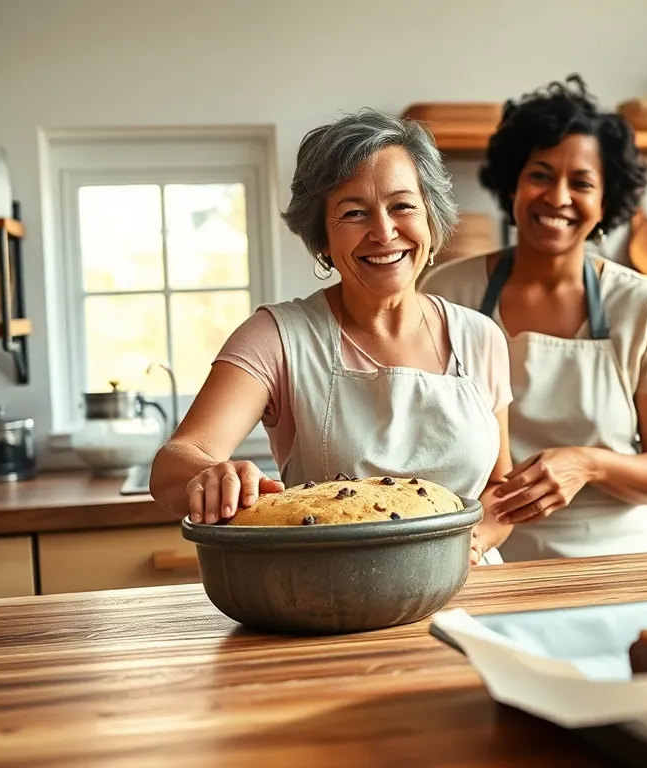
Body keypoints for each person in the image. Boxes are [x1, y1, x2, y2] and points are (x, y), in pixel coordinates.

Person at [150, 109, 512, 565]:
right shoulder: (277, 337)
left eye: (402, 206)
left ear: (432, 221)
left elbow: (500, 486)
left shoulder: (480, 337)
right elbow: (176, 459)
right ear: (322, 237)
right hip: (331, 599)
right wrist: (209, 474)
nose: (383, 232)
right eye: (354, 213)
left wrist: (476, 539)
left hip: (471, 592)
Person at [420, 75, 647, 562]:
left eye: (582, 183)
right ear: (513, 184)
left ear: (607, 201)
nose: (558, 197)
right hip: (484, 558)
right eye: (541, 175)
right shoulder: (448, 293)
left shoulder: (641, 305)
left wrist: (589, 464)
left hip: (621, 563)